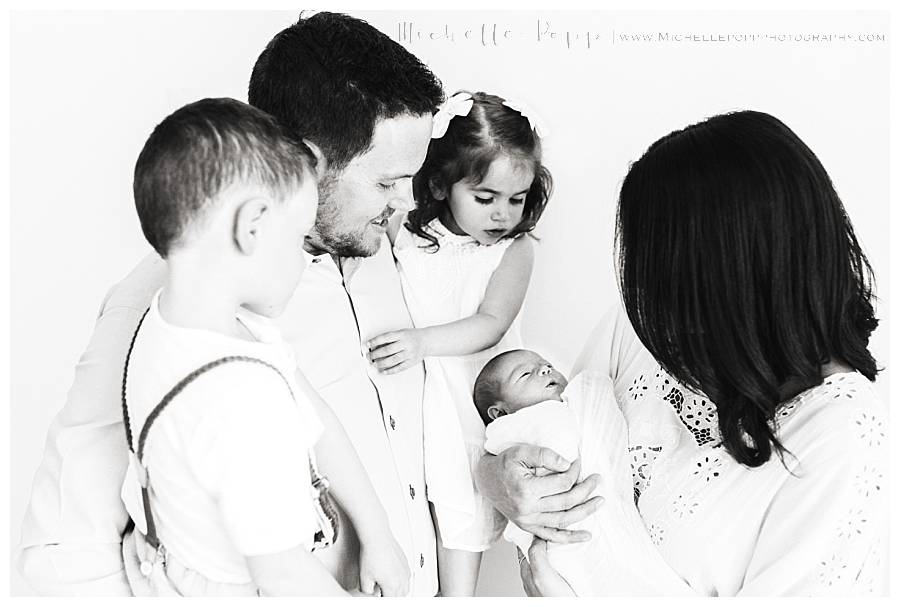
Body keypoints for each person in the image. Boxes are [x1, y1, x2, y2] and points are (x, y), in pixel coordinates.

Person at [16, 12, 450, 596]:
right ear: (306, 162)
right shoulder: (168, 308)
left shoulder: (400, 252)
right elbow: (67, 547)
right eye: (386, 181)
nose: (407, 202)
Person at [481, 110, 888, 596]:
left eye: (661, 267)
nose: (647, 292)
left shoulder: (841, 435)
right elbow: (539, 434)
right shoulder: (638, 329)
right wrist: (493, 477)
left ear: (730, 269)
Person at [117, 97, 410, 596]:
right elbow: (282, 577)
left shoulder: (178, 323)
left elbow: (318, 421)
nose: (302, 261)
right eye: (298, 237)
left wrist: (377, 529)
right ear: (252, 226)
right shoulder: (239, 401)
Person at [365, 91, 554, 596]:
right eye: (486, 198)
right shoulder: (406, 231)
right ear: (443, 183)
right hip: (417, 395)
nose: (503, 215)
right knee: (414, 514)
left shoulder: (514, 251)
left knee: (462, 509)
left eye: (517, 199)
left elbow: (490, 324)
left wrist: (422, 342)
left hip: (473, 400)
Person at [476, 349, 689, 596]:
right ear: (500, 413)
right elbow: (504, 460)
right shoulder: (514, 428)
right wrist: (487, 472)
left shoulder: (571, 405)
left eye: (546, 364)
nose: (545, 369)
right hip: (563, 542)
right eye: (526, 374)